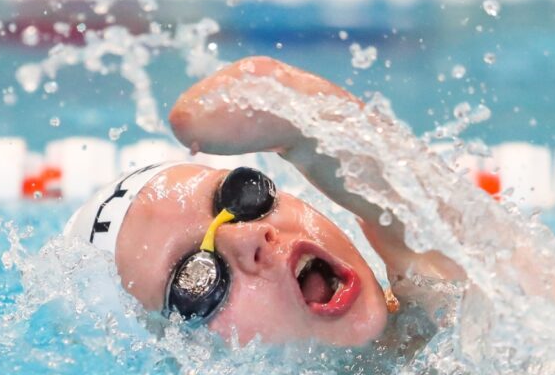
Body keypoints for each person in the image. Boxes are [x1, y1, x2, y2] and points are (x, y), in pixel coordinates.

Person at [64, 56, 467, 349]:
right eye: (197, 278)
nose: (250, 237)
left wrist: (301, 133)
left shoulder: (459, 308)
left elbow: (257, 93)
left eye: (240, 196)